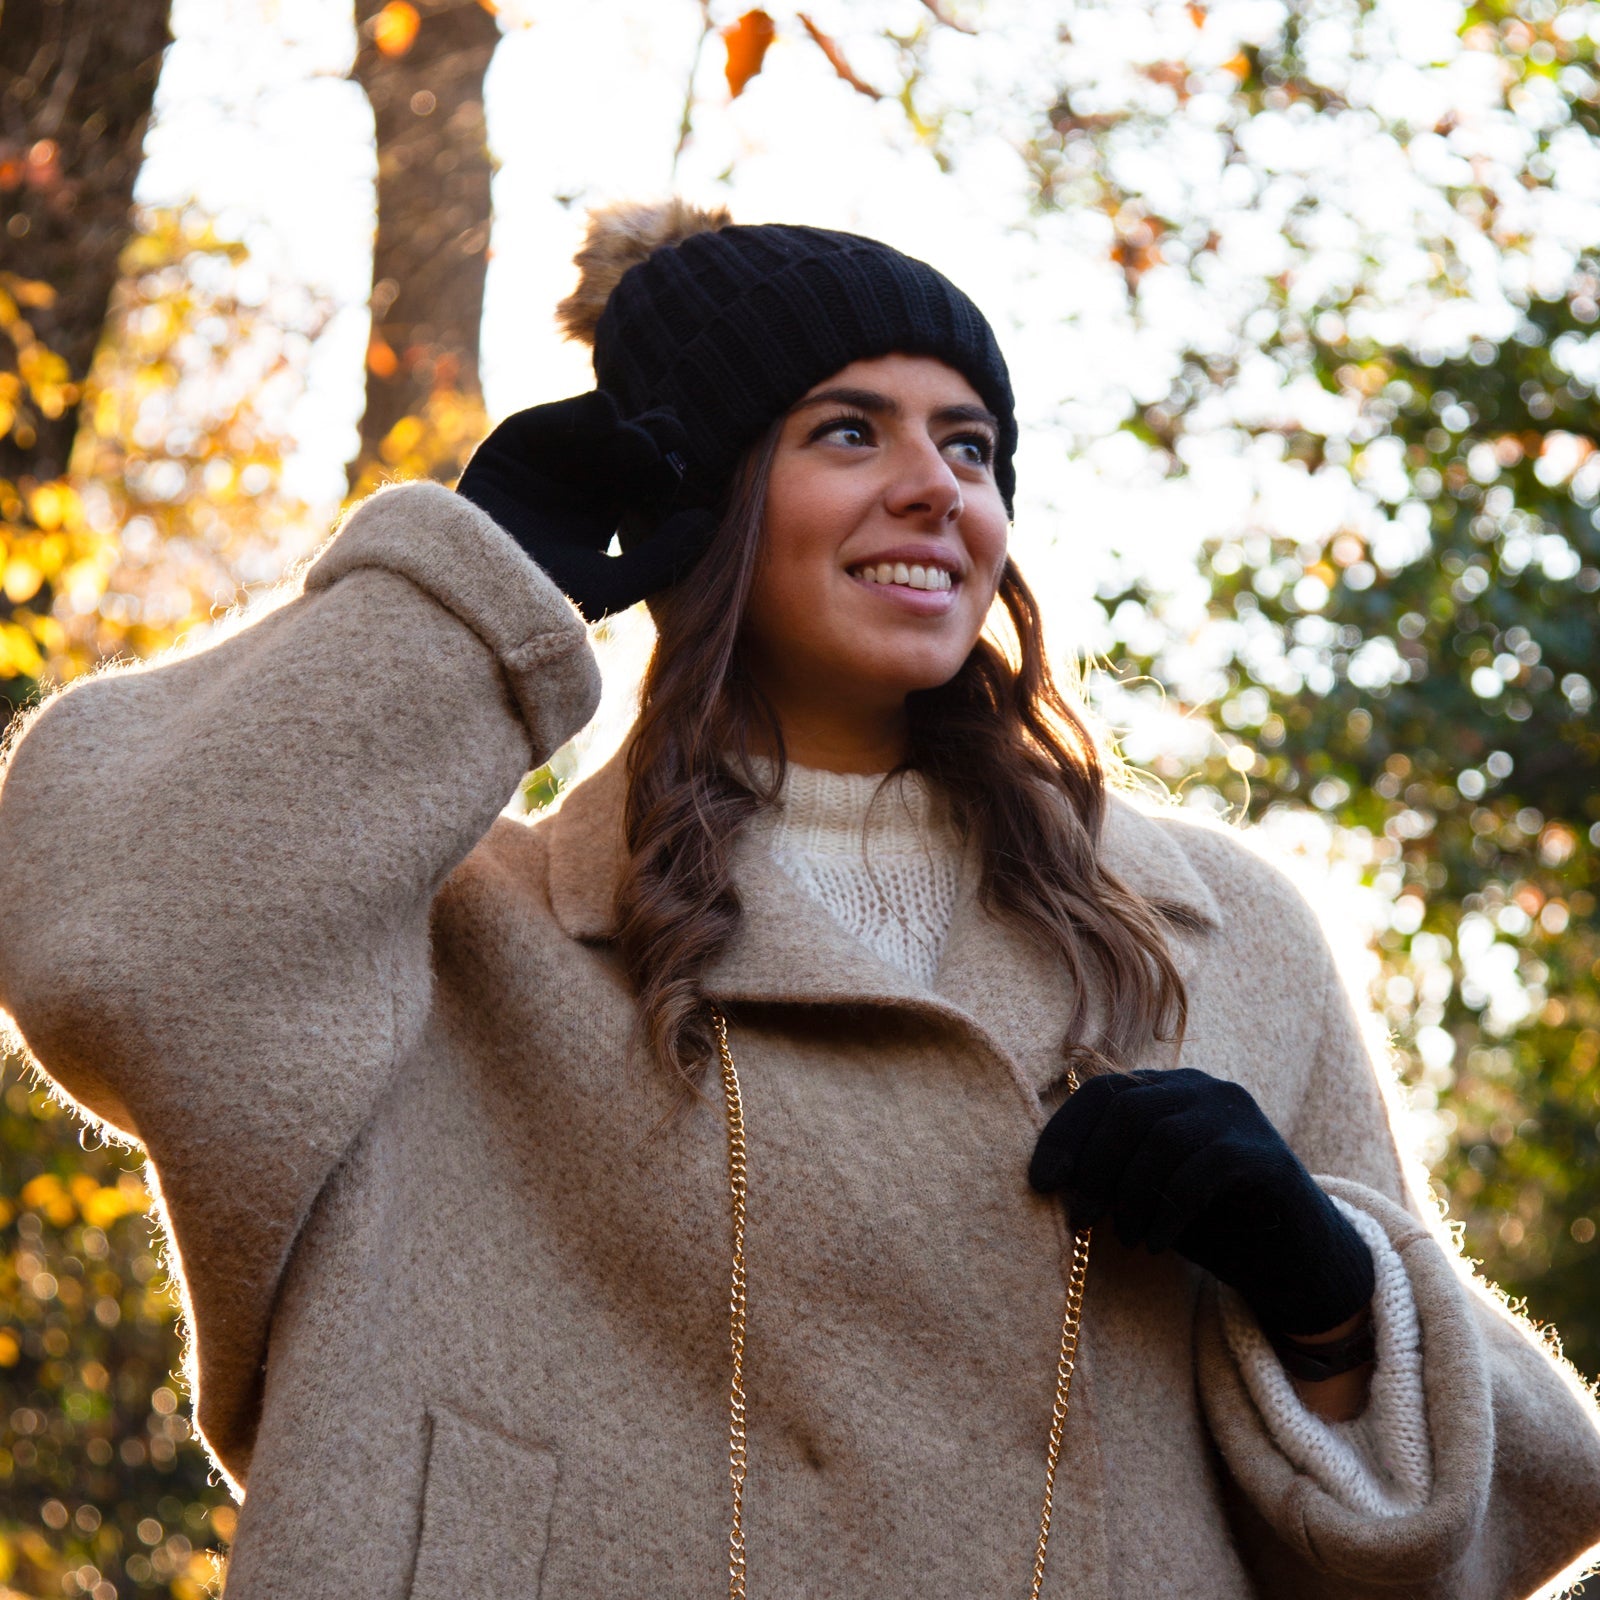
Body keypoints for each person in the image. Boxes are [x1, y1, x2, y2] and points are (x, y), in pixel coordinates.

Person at [1, 198, 1598, 1600]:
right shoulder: (456, 933)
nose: (934, 489)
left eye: (969, 445)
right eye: (849, 431)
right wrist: (469, 583)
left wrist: (1328, 1299)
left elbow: (1485, 1522)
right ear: (698, 506)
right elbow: (114, 940)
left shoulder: (1224, 938)